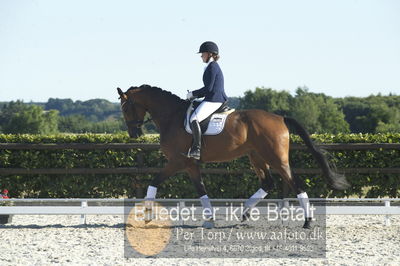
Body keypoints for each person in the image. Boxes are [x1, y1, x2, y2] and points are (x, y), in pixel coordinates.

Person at [186, 41, 228, 160]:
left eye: (202, 53)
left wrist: (192, 94)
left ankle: (196, 149)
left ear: (210, 54)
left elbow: (208, 88)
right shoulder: (211, 66)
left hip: (214, 100)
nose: (201, 56)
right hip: (211, 98)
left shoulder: (212, 66)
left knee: (194, 118)